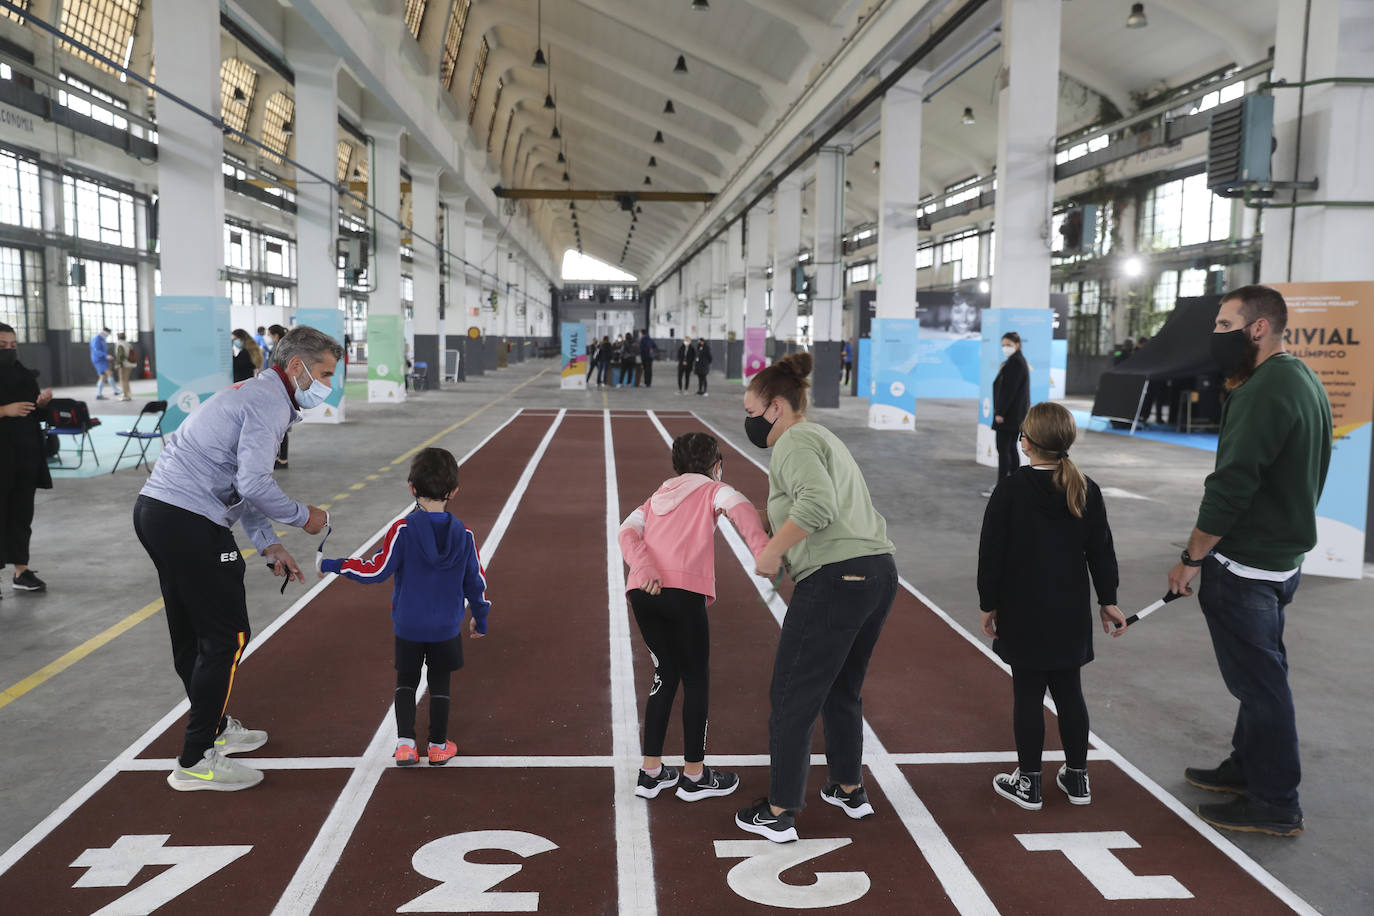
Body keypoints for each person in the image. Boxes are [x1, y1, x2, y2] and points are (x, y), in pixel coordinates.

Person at [134, 326, 337, 792]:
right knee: (227, 638)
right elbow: (254, 485)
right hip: (187, 520)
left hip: (158, 513)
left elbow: (235, 482)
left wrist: (268, 543)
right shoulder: (268, 404)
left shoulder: (259, 393)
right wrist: (304, 517)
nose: (327, 385)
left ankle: (215, 731)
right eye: (323, 373)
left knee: (193, 634)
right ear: (295, 367)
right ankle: (195, 760)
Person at [1166, 285, 1331, 838]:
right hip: (1282, 560)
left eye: (1222, 324)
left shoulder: (1263, 391)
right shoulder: (1300, 377)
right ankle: (1246, 766)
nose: (1216, 336)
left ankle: (1275, 800)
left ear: (1257, 328)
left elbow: (1231, 487)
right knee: (1262, 674)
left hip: (1247, 566)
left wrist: (1191, 557)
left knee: (1261, 686)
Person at [736, 352, 897, 843]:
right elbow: (816, 500)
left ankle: (781, 809)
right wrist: (757, 517)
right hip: (877, 573)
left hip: (835, 579)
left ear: (776, 408)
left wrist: (772, 553)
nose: (747, 421)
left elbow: (819, 506)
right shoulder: (822, 436)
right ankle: (848, 787)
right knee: (842, 687)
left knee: (792, 696)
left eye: (750, 410)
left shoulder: (792, 442)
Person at [978, 401, 1125, 810]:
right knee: (1069, 692)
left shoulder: (1010, 488)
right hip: (1071, 611)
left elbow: (991, 553)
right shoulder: (1085, 488)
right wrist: (1108, 600)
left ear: (1026, 443)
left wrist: (988, 603)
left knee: (1028, 694)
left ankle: (1029, 783)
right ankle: (1077, 779)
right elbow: (1102, 552)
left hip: (1024, 610)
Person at [618, 432, 768, 800]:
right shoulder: (711, 489)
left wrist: (645, 567)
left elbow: (626, 532)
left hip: (643, 591)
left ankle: (650, 772)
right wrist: (762, 550)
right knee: (695, 678)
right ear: (716, 464)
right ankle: (695, 776)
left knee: (664, 674)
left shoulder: (655, 498)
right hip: (683, 595)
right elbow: (742, 507)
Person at [320, 447, 491, 766]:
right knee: (440, 683)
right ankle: (438, 746)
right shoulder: (465, 535)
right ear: (454, 491)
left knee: (406, 682)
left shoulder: (403, 530)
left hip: (409, 626)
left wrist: (333, 564)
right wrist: (480, 618)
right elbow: (475, 582)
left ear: (412, 488)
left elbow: (375, 570)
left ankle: (406, 746)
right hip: (446, 627)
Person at [0, 322, 53, 597]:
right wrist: (4, 410)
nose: (8, 350)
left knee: (21, 515)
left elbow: (35, 413)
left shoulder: (23, 375)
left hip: (24, 457)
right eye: (2, 346)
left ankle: (21, 570)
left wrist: (41, 404)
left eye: (12, 345)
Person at [985, 332, 1030, 497]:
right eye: (1003, 344)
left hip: (1009, 415)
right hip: (1015, 415)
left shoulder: (1015, 363)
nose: (1005, 348)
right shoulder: (1016, 361)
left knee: (1004, 449)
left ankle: (1002, 487)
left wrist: (1000, 412)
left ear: (1017, 344)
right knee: (1010, 448)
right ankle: (1015, 484)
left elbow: (1009, 391)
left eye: (1008, 344)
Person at [267, 325, 291, 470]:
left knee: (281, 427)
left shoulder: (281, 348)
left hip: (279, 390)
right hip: (277, 389)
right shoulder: (280, 346)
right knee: (278, 427)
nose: (269, 338)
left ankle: (283, 459)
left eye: (270, 335)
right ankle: (278, 457)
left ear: (275, 335)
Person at [90, 327, 116, 400]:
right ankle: (115, 391)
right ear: (104, 332)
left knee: (102, 376)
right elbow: (96, 351)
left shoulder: (102, 339)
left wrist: (105, 356)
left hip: (102, 359)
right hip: (99, 360)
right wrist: (105, 356)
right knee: (109, 374)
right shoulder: (96, 339)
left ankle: (99, 394)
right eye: (107, 334)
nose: (107, 336)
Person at [115, 331, 136, 403]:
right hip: (130, 364)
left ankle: (125, 395)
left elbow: (120, 355)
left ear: (118, 337)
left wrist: (118, 364)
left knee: (122, 379)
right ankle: (128, 394)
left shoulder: (119, 344)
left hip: (123, 364)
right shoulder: (128, 344)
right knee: (126, 380)